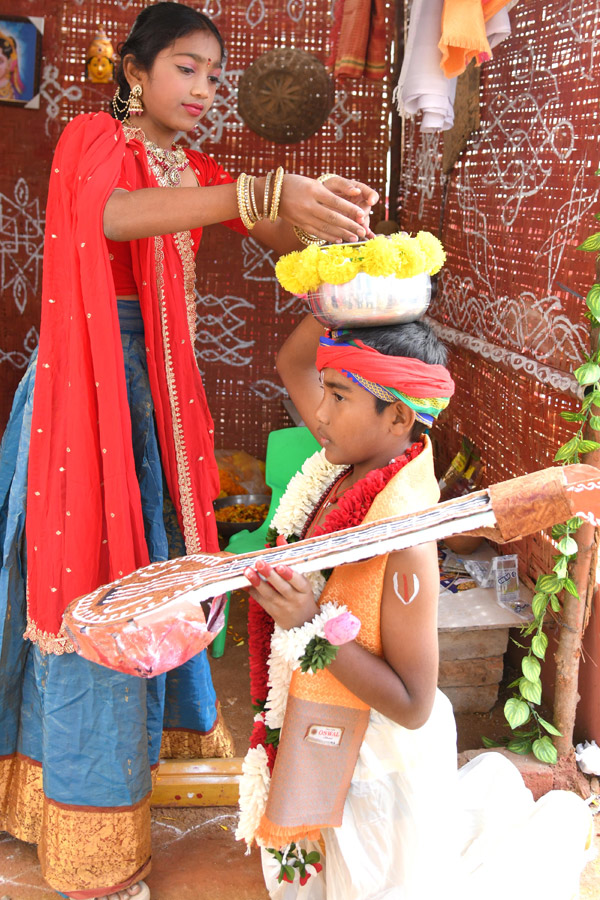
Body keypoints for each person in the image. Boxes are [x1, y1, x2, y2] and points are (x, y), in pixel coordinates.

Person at [0, 4, 377, 899]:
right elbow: (114, 216)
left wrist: (325, 213)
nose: (206, 89)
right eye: (187, 68)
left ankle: (114, 780)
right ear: (132, 72)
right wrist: (257, 194)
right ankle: (79, 824)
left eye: (215, 74)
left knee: (154, 581)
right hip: (85, 400)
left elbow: (271, 227)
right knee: (91, 588)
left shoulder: (190, 165)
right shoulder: (94, 139)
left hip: (156, 409)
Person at [239, 314, 593, 900]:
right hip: (334, 736)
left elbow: (413, 702)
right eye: (324, 391)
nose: (319, 413)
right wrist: (343, 279)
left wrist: (307, 624)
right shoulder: (351, 462)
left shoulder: (405, 537)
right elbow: (291, 363)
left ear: (399, 415)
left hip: (379, 758)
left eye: (339, 395)